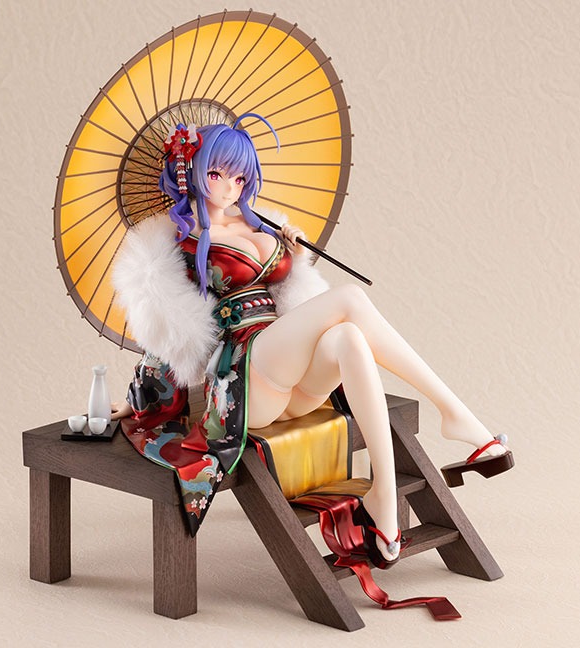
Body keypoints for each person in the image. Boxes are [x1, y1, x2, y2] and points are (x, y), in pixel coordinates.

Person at [109, 113, 512, 565]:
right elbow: (168, 326)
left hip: (291, 372)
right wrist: (138, 397)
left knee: (348, 338)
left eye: (240, 177)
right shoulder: (181, 241)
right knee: (350, 299)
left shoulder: (259, 224)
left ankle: (383, 490)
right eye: (218, 174)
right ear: (191, 172)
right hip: (247, 376)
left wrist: (292, 255)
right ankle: (455, 415)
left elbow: (292, 299)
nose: (231, 187)